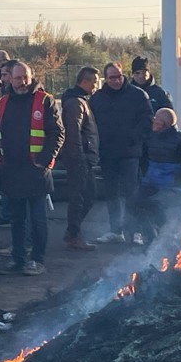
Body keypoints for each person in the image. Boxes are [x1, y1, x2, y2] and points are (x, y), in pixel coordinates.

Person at [0, 62, 64, 276]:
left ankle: (37, 260)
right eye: (18, 78)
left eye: (25, 78)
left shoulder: (44, 100)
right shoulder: (3, 103)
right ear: (9, 79)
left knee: (37, 219)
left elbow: (57, 133)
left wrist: (44, 159)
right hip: (11, 169)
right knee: (17, 219)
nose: (22, 82)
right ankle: (18, 259)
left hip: (35, 170)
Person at [89, 61, 153, 245]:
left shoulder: (138, 95)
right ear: (105, 79)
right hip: (107, 153)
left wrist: (135, 138)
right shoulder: (97, 99)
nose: (116, 81)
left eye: (118, 76)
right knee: (111, 193)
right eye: (111, 78)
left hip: (130, 153)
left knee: (131, 193)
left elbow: (148, 119)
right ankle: (115, 230)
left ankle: (135, 231)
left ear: (123, 75)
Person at [129, 108, 181, 244]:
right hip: (151, 183)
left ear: (165, 124)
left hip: (173, 187)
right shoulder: (151, 138)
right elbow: (144, 162)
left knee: (154, 204)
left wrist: (173, 181)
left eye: (157, 120)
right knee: (133, 203)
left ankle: (164, 235)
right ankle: (148, 235)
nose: (153, 122)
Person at [60, 67, 100, 251]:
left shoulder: (79, 101)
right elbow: (73, 133)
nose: (95, 85)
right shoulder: (76, 103)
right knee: (81, 196)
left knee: (87, 195)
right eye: (93, 81)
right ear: (84, 81)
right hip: (79, 159)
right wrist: (79, 157)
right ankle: (74, 234)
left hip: (83, 157)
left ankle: (73, 232)